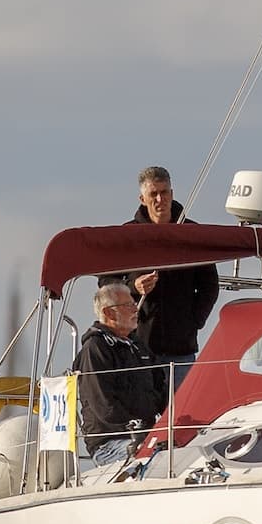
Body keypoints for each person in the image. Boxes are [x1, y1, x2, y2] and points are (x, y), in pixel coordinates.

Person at [111, 166, 220, 395]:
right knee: (141, 410)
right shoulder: (127, 236)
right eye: (154, 194)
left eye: (165, 192)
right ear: (142, 199)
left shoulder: (193, 233)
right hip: (138, 346)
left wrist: (194, 321)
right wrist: (133, 287)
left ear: (172, 193)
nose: (160, 199)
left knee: (182, 412)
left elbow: (210, 285)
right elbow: (106, 282)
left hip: (181, 349)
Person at [72, 282, 168, 466]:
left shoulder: (138, 346)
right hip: (110, 443)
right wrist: (135, 429)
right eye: (128, 305)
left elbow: (160, 389)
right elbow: (102, 403)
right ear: (109, 313)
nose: (136, 309)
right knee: (158, 461)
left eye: (134, 304)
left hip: (147, 435)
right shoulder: (95, 349)